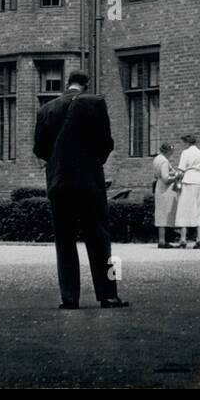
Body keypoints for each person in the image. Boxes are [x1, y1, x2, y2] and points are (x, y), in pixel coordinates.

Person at [32, 68, 128, 309]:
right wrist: (93, 162)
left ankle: (70, 298)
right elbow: (106, 143)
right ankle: (108, 295)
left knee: (64, 241)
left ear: (68, 83)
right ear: (86, 83)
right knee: (99, 239)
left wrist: (57, 162)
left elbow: (40, 149)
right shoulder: (96, 103)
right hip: (89, 182)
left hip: (59, 183)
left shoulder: (46, 109)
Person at [174, 134, 200, 249]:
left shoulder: (185, 153)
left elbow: (181, 170)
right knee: (199, 209)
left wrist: (176, 178)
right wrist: (199, 177)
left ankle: (183, 239)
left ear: (187, 142)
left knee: (184, 209)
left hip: (188, 180)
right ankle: (199, 239)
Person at [152, 141, 179, 247]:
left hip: (159, 186)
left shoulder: (157, 159)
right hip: (165, 189)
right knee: (165, 214)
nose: (171, 154)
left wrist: (172, 172)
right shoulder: (164, 161)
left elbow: (157, 175)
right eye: (171, 152)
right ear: (168, 151)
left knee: (160, 213)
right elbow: (166, 178)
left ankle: (162, 240)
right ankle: (163, 241)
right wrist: (176, 177)